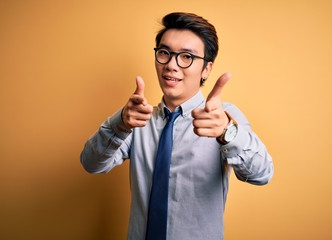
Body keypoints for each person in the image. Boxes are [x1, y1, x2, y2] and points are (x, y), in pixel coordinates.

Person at [80, 12, 274, 240]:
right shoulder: (137, 118)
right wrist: (119, 123)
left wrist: (227, 133)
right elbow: (91, 164)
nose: (171, 65)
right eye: (164, 53)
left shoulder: (221, 119)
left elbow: (262, 174)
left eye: (186, 57)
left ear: (207, 69)